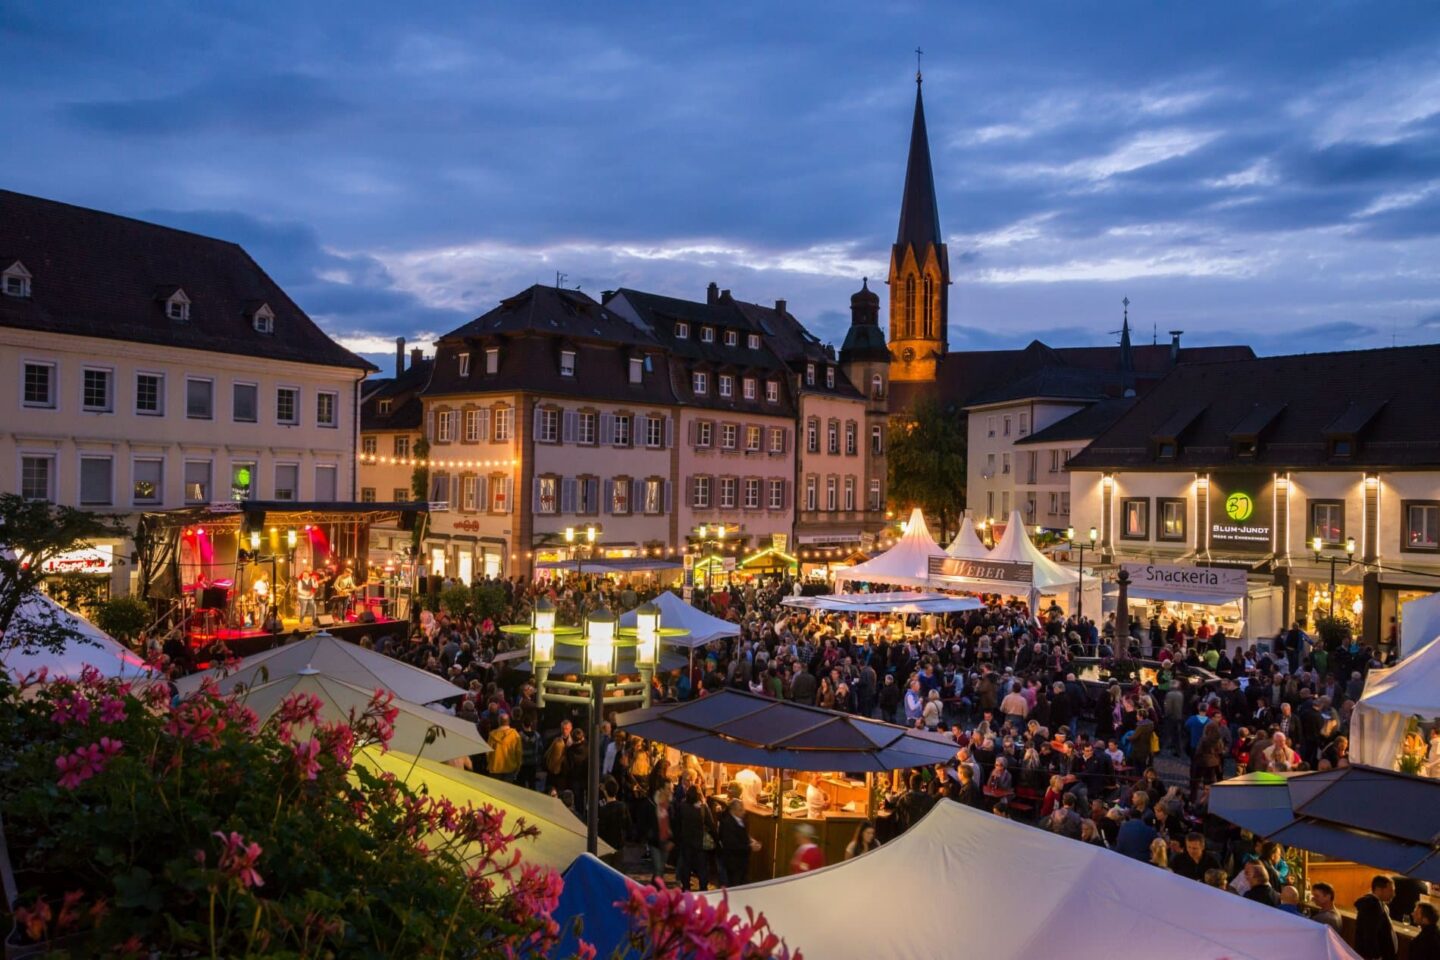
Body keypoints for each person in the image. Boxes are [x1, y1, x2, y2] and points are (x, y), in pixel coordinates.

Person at [1354, 874, 1399, 960]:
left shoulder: (1379, 905)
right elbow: (1369, 935)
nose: (1393, 894)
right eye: (1390, 890)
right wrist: (1376, 956)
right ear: (1379, 890)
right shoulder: (1372, 907)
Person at [717, 799, 758, 887]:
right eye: (740, 810)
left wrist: (750, 840)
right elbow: (732, 845)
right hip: (733, 863)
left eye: (743, 809)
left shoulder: (739, 819)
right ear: (733, 810)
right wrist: (750, 846)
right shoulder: (727, 823)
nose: (744, 812)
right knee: (736, 886)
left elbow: (742, 834)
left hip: (742, 861)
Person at [485, 713, 522, 782]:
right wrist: (518, 765)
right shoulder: (515, 735)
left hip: (495, 767)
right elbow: (518, 751)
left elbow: (488, 752)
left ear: (499, 721)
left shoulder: (492, 735)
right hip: (510, 767)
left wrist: (489, 763)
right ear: (509, 721)